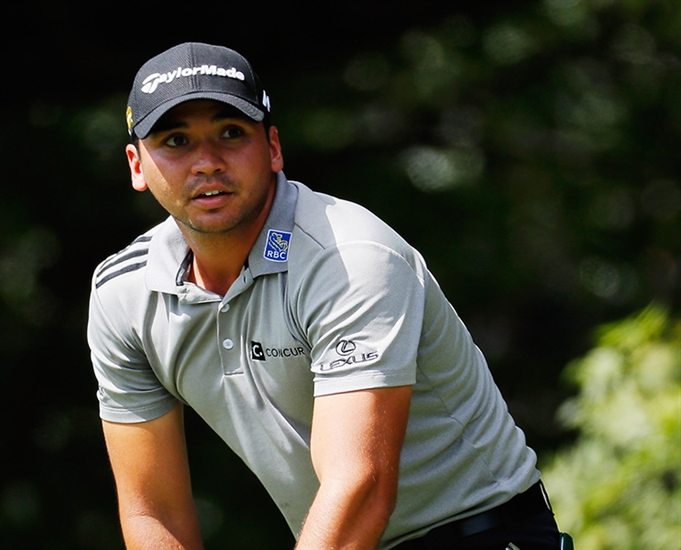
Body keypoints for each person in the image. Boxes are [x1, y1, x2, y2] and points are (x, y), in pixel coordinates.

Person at [87, 42, 561, 549]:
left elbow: (361, 486)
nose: (206, 162)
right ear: (137, 165)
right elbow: (152, 513)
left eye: (230, 133)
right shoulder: (124, 293)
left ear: (272, 148)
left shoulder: (351, 257)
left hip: (481, 535)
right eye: (176, 141)